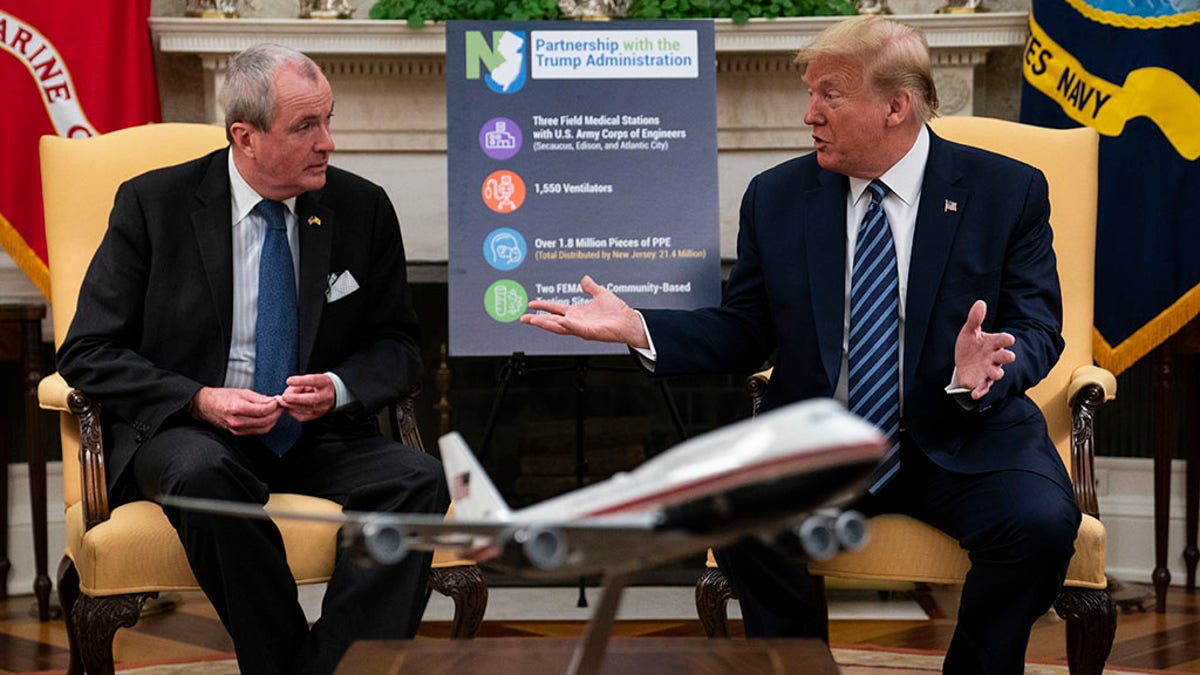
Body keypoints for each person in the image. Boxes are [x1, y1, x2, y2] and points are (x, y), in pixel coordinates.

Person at [521, 15, 1081, 673]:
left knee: (1040, 523)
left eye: (829, 94)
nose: (809, 113)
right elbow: (745, 330)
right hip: (824, 441)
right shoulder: (778, 197)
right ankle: (801, 667)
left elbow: (1040, 327)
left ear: (896, 105)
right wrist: (639, 327)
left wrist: (987, 369)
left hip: (964, 430)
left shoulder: (1005, 191)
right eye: (810, 92)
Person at [56, 44, 448, 675]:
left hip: (316, 432)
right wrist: (200, 399)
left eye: (329, 119)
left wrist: (341, 387)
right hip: (193, 431)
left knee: (418, 480)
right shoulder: (154, 205)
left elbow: (399, 346)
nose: (327, 142)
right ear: (246, 136)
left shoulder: (361, 206)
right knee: (203, 475)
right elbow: (88, 350)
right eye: (305, 127)